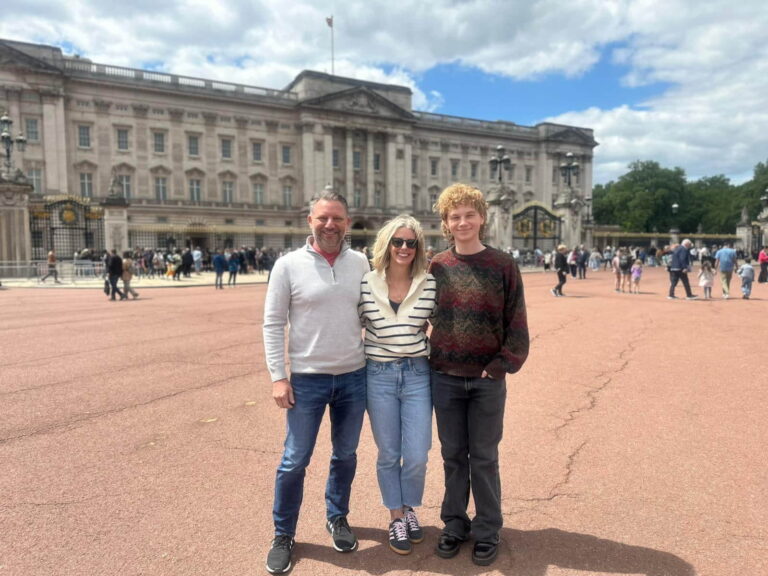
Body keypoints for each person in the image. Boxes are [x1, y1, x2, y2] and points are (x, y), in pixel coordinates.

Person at [262, 190, 370, 575]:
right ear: (309, 221)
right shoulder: (287, 265)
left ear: (347, 223)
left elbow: (372, 314)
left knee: (345, 455)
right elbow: (273, 323)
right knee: (295, 460)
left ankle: (337, 516)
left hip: (354, 376)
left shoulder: (361, 263)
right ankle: (283, 533)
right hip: (307, 379)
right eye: (323, 218)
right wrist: (278, 376)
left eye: (337, 218)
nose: (330, 225)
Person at [428, 184, 529, 567]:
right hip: (445, 376)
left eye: (470, 214)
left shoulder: (503, 264)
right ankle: (455, 524)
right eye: (455, 216)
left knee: (484, 458)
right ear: (446, 223)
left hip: (487, 379)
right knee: (453, 456)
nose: (463, 222)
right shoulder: (437, 265)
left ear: (482, 218)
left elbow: (516, 322)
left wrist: (501, 365)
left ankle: (488, 529)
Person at [358, 215, 436, 556]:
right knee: (389, 452)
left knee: (417, 454)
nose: (404, 248)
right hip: (379, 374)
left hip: (418, 373)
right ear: (387, 244)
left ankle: (409, 506)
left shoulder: (428, 282)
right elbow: (353, 323)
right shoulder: (366, 282)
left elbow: (443, 324)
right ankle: (396, 515)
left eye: (411, 242)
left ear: (418, 248)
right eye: (398, 241)